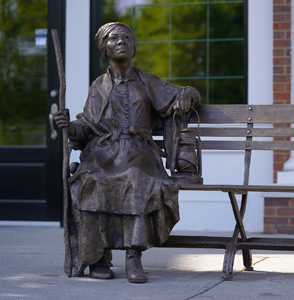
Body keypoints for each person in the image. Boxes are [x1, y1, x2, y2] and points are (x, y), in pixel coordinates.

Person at [54, 22, 200, 283]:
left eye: (126, 37)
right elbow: (87, 126)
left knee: (136, 178)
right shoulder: (99, 85)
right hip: (104, 151)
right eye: (113, 38)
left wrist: (186, 97)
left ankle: (134, 256)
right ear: (105, 49)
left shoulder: (147, 81)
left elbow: (187, 92)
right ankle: (97, 258)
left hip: (139, 149)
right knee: (88, 182)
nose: (121, 41)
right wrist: (69, 127)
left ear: (133, 48)